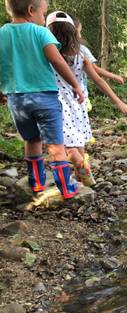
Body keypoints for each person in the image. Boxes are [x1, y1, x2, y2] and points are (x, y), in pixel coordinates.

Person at [0, 0, 84, 199]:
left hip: (17, 100)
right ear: (31, 10)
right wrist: (75, 84)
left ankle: (36, 183)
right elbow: (57, 60)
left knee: (32, 139)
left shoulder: (2, 34)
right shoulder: (40, 32)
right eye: (44, 13)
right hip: (45, 96)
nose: (43, 18)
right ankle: (66, 187)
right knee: (55, 143)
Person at [47, 11, 127, 187]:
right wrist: (117, 101)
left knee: (64, 143)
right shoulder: (81, 52)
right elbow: (98, 79)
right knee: (78, 139)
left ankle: (78, 167)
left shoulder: (48, 51)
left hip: (55, 102)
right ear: (73, 31)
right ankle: (82, 173)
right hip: (78, 101)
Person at [72, 16, 125, 116]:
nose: (80, 35)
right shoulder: (81, 50)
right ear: (74, 32)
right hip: (79, 95)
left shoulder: (52, 49)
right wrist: (114, 76)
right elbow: (95, 70)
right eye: (79, 31)